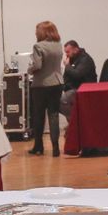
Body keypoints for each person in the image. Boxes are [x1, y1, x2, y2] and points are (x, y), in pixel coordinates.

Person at [27, 19, 65, 156]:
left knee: (39, 116)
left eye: (37, 31)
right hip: (57, 83)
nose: (35, 33)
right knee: (54, 115)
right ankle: (56, 148)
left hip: (41, 85)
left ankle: (38, 146)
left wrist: (29, 69)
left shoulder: (38, 46)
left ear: (42, 32)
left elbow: (37, 66)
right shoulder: (58, 45)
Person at [61, 39, 97, 118]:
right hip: (74, 87)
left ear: (76, 49)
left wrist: (67, 66)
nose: (66, 55)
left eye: (68, 52)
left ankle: (75, 120)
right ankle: (74, 122)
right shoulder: (73, 59)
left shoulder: (85, 59)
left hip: (82, 89)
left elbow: (77, 74)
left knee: (60, 102)